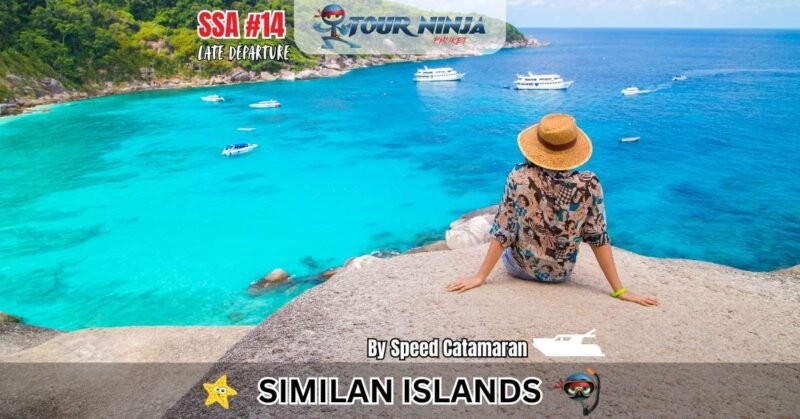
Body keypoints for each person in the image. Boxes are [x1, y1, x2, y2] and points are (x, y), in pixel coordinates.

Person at [446, 113, 658, 307]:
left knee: (505, 220)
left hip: (518, 268)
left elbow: (504, 230)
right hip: (560, 273)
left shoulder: (519, 176)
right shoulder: (589, 183)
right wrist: (619, 289)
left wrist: (480, 277)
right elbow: (597, 236)